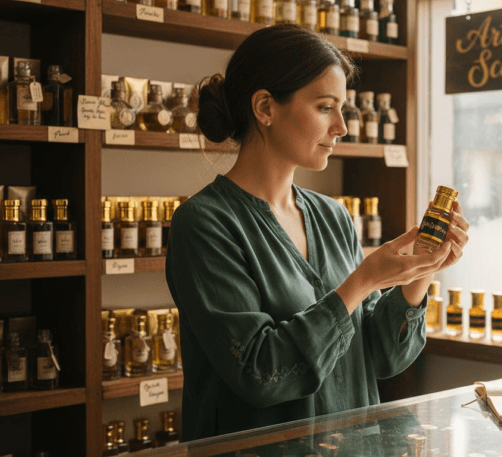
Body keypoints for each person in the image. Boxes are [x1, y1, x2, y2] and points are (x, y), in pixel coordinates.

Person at [165, 24, 470, 442]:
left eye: (342, 109)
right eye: (326, 107)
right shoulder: (204, 224)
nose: (341, 127)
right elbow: (259, 373)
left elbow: (380, 358)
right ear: (265, 107)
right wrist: (364, 280)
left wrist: (421, 268)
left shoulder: (333, 216)